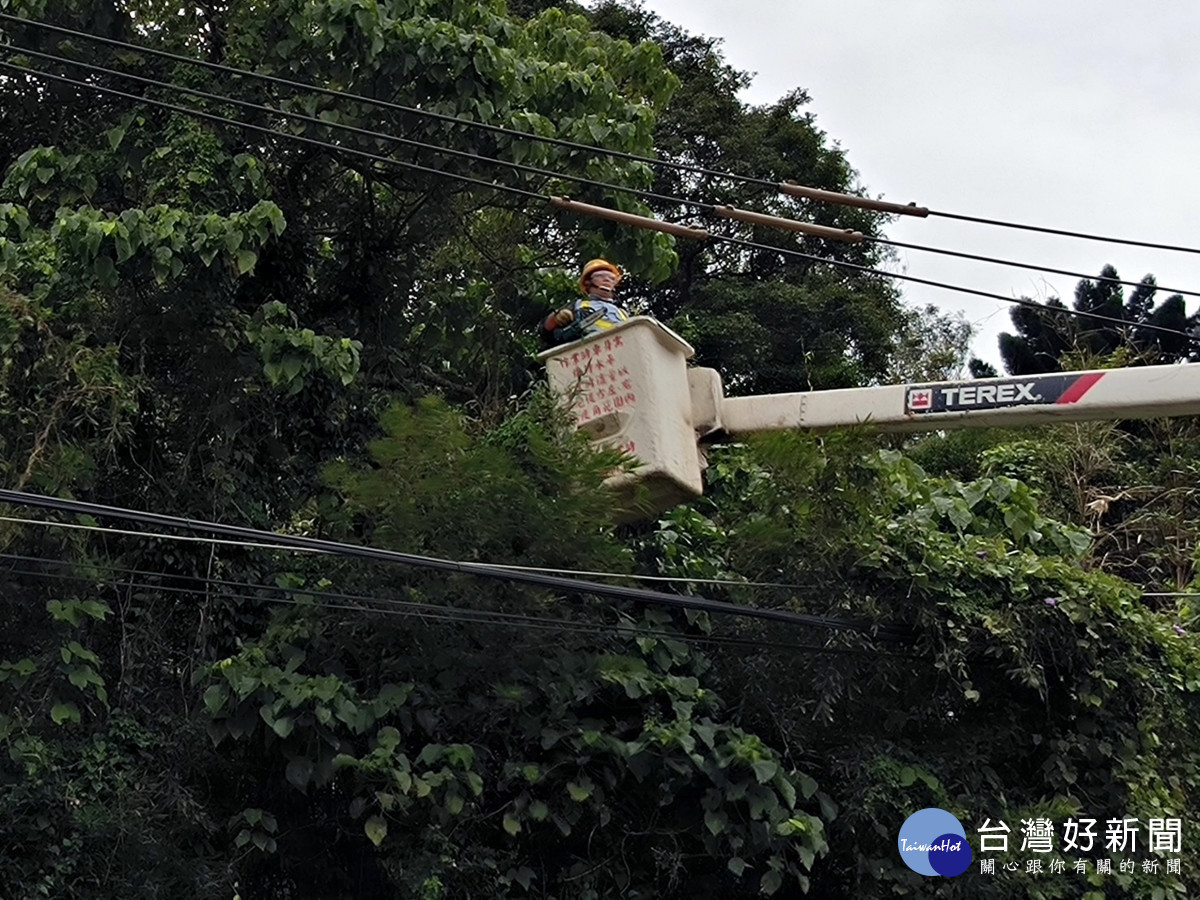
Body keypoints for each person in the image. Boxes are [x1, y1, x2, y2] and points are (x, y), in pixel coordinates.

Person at [542, 259, 630, 345]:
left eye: (611, 277)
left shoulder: (622, 312)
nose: (607, 279)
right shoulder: (578, 305)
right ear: (587, 282)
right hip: (590, 349)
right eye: (600, 275)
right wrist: (557, 317)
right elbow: (546, 330)